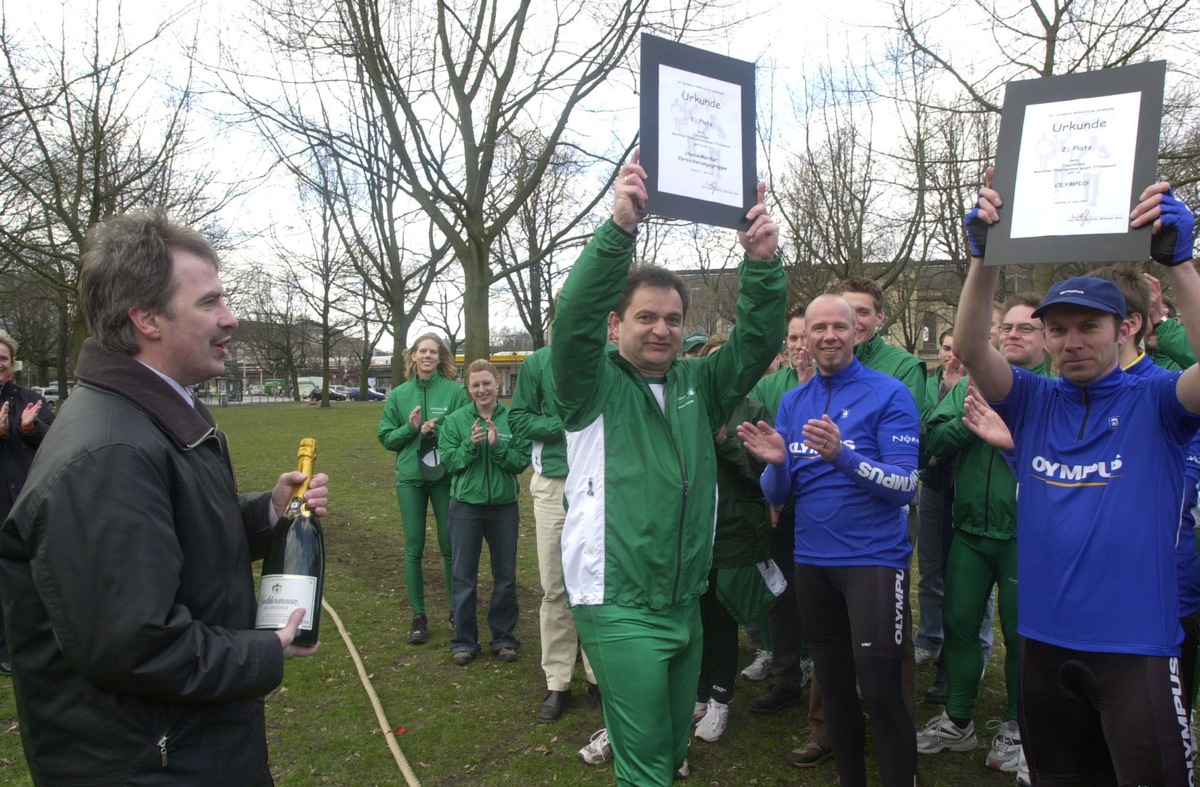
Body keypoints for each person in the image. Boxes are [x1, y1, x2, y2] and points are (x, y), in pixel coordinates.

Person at [0, 208, 329, 785]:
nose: (230, 319)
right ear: (147, 318)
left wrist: (266, 513)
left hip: (182, 743)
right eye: (209, 303)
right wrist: (263, 652)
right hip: (151, 762)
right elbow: (136, 645)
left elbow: (166, 541)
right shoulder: (108, 453)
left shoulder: (151, 414)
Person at [954, 170, 1200, 784]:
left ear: (1125, 330)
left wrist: (1181, 265)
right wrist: (986, 257)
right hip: (1042, 645)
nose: (1072, 342)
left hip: (1135, 650)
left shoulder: (1160, 402)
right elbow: (968, 344)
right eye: (1057, 329)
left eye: (1089, 327)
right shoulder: (1034, 400)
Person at [553, 148, 786, 786]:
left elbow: (756, 342)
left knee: (671, 746)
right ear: (616, 323)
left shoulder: (698, 381)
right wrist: (618, 229)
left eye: (673, 319)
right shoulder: (589, 383)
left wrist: (762, 264)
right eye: (646, 317)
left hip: (685, 597)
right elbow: (570, 323)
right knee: (647, 766)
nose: (661, 330)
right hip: (618, 599)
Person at [739, 293, 920, 787]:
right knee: (835, 689)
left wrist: (842, 456)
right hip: (813, 562)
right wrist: (776, 464)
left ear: (857, 332)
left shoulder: (889, 394)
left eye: (840, 327)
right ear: (805, 337)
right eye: (818, 328)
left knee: (881, 693)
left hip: (875, 562)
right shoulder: (794, 402)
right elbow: (778, 493)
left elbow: (906, 485)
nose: (829, 337)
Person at [918, 294, 1052, 772]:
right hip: (971, 529)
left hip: (1027, 537)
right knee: (957, 624)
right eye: (1007, 327)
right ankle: (958, 720)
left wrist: (1009, 430)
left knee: (1021, 637)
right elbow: (931, 439)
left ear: (1046, 338)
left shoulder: (1057, 387)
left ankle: (1017, 726)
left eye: (1027, 328)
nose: (1013, 334)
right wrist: (971, 424)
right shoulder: (972, 385)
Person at [691, 335, 784, 743]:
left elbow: (760, 473)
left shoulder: (752, 408)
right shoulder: (690, 402)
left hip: (734, 530)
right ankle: (695, 692)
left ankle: (720, 699)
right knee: (693, 619)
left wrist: (725, 442)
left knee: (722, 616)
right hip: (692, 529)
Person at [508, 341, 600, 722]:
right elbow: (518, 419)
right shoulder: (537, 364)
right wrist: (561, 425)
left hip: (598, 482)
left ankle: (600, 677)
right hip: (553, 485)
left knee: (597, 582)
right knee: (555, 587)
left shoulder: (605, 358)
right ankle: (558, 681)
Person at [746, 309, 816, 720]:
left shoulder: (831, 386)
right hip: (780, 510)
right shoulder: (768, 387)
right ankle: (786, 676)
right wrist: (771, 499)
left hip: (824, 514)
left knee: (822, 597)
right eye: (792, 339)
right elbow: (758, 445)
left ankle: (824, 674)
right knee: (782, 594)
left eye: (804, 337)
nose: (799, 346)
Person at [438, 359, 530, 666]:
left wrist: (497, 447)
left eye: (487, 383)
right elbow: (449, 463)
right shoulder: (455, 421)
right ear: (469, 388)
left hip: (504, 507)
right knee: (464, 576)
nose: (482, 390)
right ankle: (463, 640)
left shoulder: (513, 419)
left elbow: (521, 460)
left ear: (498, 384)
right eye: (476, 385)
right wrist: (471, 445)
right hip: (465, 507)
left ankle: (504, 637)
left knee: (505, 576)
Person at [378, 333, 468, 644]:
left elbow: (464, 430)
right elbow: (386, 437)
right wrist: (411, 428)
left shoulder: (456, 392)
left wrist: (438, 427)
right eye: (422, 351)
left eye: (434, 352)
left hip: (444, 476)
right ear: (413, 356)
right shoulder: (399, 395)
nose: (428, 356)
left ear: (441, 357)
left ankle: (457, 611)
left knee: (448, 545)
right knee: (414, 545)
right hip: (411, 478)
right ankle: (419, 616)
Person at [0, 331, 54, 674]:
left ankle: (20, 646)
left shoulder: (31, 399)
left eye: (3, 359)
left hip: (23, 500)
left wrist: (30, 430)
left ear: (12, 364)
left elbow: (57, 442)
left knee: (24, 578)